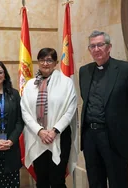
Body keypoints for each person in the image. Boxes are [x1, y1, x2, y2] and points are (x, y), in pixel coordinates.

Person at [79, 30, 128, 188]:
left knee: (118, 182)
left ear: (109, 47)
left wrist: (119, 122)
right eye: (92, 46)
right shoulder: (84, 71)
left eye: (100, 45)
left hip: (114, 137)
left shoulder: (126, 70)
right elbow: (84, 99)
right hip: (90, 138)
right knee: (95, 181)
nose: (96, 49)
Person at [21, 48, 77, 188]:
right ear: (38, 62)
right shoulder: (30, 85)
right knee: (42, 180)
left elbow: (70, 110)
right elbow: (25, 111)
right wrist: (40, 131)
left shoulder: (66, 83)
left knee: (58, 180)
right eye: (42, 60)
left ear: (56, 63)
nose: (45, 63)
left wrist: (54, 131)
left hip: (59, 137)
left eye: (49, 60)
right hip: (38, 138)